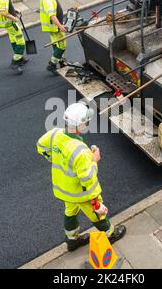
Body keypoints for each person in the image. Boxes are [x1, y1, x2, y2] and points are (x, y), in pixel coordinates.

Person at [37, 102, 126, 251]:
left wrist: (52, 157)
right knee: (97, 215)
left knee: (70, 213)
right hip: (82, 193)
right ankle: (110, 234)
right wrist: (94, 160)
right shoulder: (81, 151)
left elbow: (40, 146)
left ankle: (72, 240)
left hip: (64, 190)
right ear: (80, 125)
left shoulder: (54, 134)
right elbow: (87, 178)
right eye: (86, 122)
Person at [0, 0, 28, 75]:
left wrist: (15, 10)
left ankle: (20, 58)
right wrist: (14, 18)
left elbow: (8, 7)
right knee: (21, 43)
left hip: (8, 24)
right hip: (10, 23)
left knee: (14, 40)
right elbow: (3, 12)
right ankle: (15, 63)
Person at [40, 0, 67, 72]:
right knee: (62, 46)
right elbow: (52, 15)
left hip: (52, 27)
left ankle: (61, 62)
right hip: (55, 27)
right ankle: (52, 64)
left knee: (56, 44)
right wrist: (60, 26)